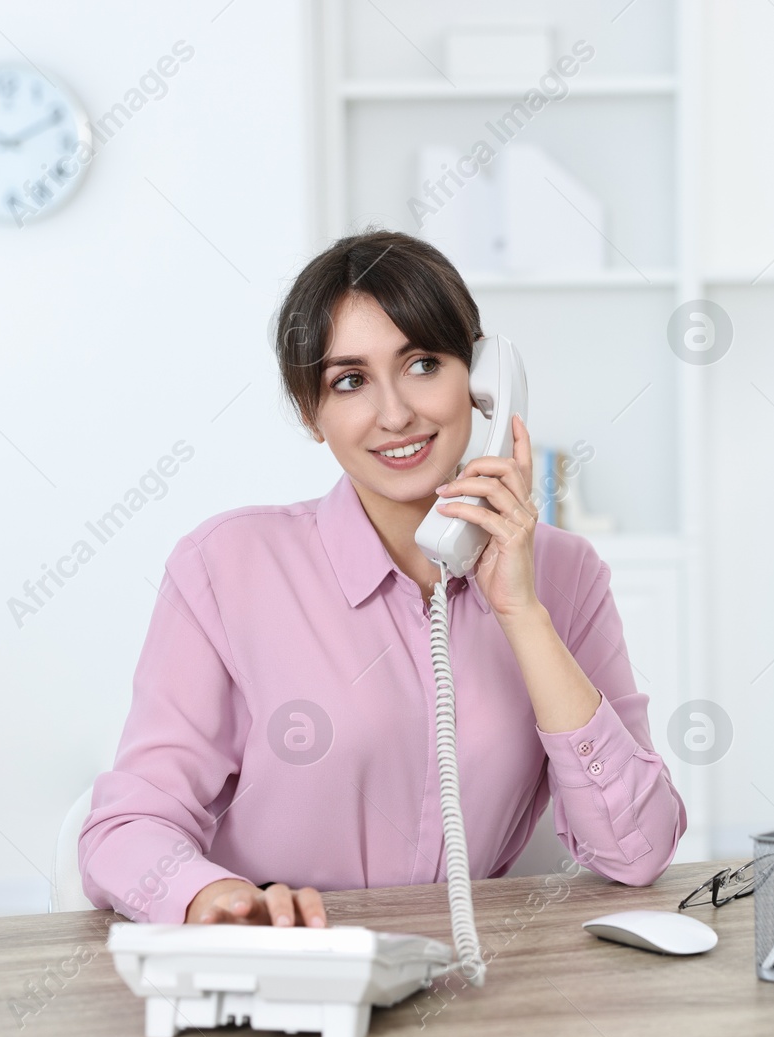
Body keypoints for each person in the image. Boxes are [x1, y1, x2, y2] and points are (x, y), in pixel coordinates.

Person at [79, 229, 686, 929]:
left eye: (424, 363)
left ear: (482, 380)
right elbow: (125, 826)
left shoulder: (567, 576)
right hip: (289, 973)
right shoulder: (226, 566)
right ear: (313, 413)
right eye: (350, 381)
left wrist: (522, 611)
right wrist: (206, 897)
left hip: (472, 985)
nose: (396, 412)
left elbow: (637, 850)